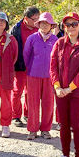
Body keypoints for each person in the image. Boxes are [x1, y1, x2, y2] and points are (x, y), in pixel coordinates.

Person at [50, 12, 79, 157]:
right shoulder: (59, 43)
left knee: (76, 124)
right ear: (64, 27)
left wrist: (70, 88)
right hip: (61, 92)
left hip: (77, 92)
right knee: (64, 124)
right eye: (68, 25)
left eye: (74, 24)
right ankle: (65, 155)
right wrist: (57, 86)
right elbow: (53, 66)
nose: (71, 27)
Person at [23, 12, 59, 140]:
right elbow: (26, 56)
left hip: (50, 77)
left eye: (47, 23)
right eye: (42, 23)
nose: (44, 25)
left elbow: (58, 59)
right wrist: (32, 68)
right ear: (38, 24)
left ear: (51, 25)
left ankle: (45, 129)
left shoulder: (56, 40)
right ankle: (32, 130)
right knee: (32, 103)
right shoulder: (32, 38)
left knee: (48, 103)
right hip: (33, 75)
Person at [10, 6, 40, 127]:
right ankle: (15, 116)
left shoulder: (40, 28)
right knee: (17, 90)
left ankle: (28, 114)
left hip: (34, 65)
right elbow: (12, 48)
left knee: (31, 91)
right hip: (20, 64)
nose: (37, 21)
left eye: (38, 18)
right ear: (26, 18)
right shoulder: (16, 29)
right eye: (34, 19)